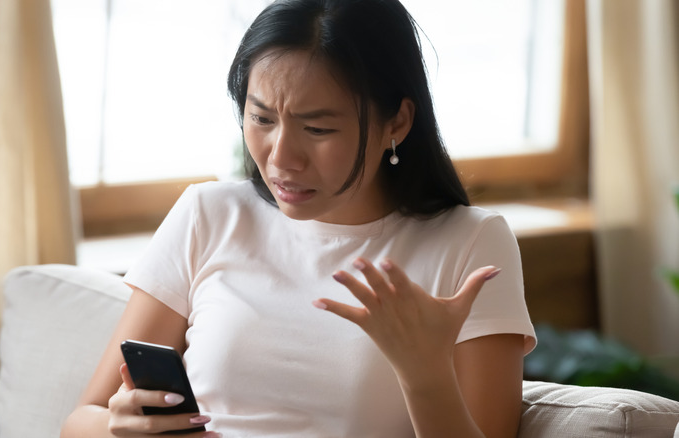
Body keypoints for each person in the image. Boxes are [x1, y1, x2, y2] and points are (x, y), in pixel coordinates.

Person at [61, 0, 536, 436]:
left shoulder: (470, 244)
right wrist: (119, 430)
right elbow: (79, 422)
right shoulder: (209, 215)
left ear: (397, 122)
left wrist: (425, 375)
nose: (282, 159)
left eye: (317, 128)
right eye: (262, 119)